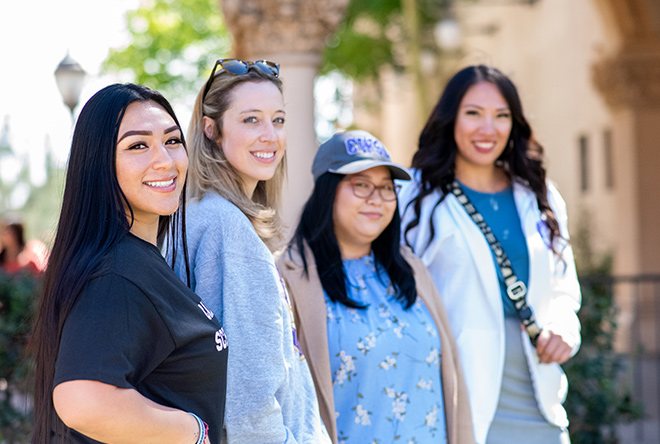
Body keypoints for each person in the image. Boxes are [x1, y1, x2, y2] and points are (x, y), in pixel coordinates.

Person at [31, 83, 228, 444]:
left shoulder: (137, 260)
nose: (165, 161)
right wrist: (196, 433)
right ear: (99, 164)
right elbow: (82, 401)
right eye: (138, 145)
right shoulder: (117, 271)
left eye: (172, 141)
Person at [399, 65, 581, 444]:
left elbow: (564, 285)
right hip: (456, 396)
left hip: (539, 397)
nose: (488, 128)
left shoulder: (538, 194)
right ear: (450, 119)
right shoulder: (416, 196)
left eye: (501, 116)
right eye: (473, 114)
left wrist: (564, 329)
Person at [277, 130, 475, 444]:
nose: (377, 199)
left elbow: (454, 380)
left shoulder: (411, 269)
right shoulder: (287, 277)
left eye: (386, 188)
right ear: (326, 190)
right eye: (361, 185)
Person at [172, 59, 330, 443]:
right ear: (212, 130)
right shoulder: (226, 228)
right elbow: (248, 401)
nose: (270, 135)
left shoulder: (206, 217)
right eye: (251, 120)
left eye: (278, 120)